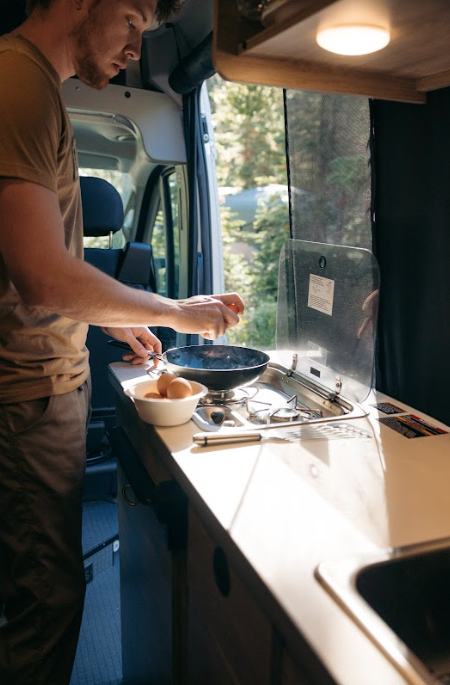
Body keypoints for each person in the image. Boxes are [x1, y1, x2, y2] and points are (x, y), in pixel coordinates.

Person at [0, 0, 245, 683]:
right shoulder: (18, 82)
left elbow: (32, 275)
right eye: (133, 21)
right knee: (47, 602)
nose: (137, 49)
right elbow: (42, 278)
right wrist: (180, 312)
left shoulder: (34, 86)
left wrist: (107, 318)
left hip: (41, 392)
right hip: (26, 397)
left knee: (41, 592)